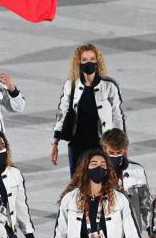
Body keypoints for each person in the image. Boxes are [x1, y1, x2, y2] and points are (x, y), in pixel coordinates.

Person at [51, 44, 125, 176]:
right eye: (84, 60)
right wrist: (55, 143)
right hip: (77, 145)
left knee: (102, 182)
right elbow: (62, 112)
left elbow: (117, 116)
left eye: (92, 58)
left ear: (97, 61)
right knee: (77, 185)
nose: (89, 62)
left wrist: (121, 145)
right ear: (78, 62)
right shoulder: (71, 85)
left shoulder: (109, 85)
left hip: (102, 144)